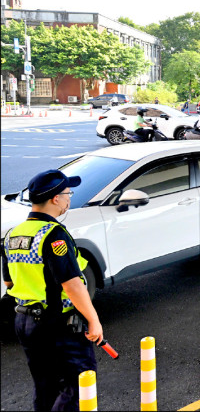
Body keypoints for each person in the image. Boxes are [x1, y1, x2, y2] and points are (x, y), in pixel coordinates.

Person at [1, 170, 103, 411]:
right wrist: (93, 320)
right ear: (55, 199)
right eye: (68, 193)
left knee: (45, 385)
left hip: (24, 320)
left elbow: (9, 283)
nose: (69, 198)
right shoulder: (54, 235)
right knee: (81, 384)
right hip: (57, 323)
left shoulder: (14, 234)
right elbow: (72, 284)